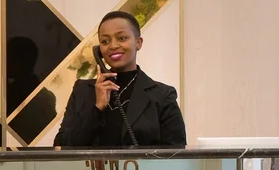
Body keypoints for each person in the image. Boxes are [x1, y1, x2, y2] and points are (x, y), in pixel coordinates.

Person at [54, 11, 186, 148]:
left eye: (122, 38)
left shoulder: (162, 95)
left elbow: (177, 152)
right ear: (99, 50)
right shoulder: (82, 91)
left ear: (138, 43)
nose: (113, 46)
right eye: (105, 41)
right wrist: (97, 108)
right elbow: (62, 145)